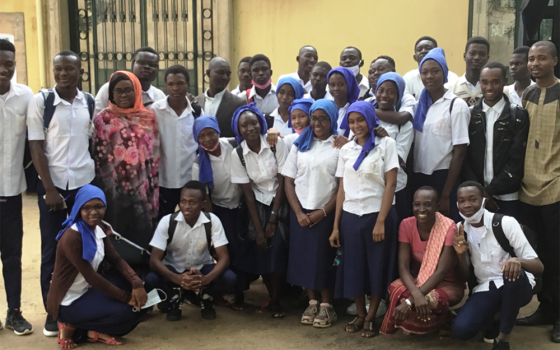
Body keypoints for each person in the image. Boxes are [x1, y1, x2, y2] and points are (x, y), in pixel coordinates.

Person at [27, 50, 96, 336]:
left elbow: (90, 142)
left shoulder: (89, 102)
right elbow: (36, 146)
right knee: (52, 250)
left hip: (83, 184)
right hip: (54, 188)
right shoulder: (42, 101)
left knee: (86, 248)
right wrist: (50, 188)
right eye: (58, 69)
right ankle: (52, 312)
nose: (63, 74)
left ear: (81, 71)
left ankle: (81, 307)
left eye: (69, 69)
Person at [47, 184, 148, 348]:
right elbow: (92, 277)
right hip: (68, 301)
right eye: (87, 208)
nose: (93, 212)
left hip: (86, 291)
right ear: (79, 209)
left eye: (99, 207)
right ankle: (70, 324)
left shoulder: (98, 228)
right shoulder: (72, 236)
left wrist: (136, 282)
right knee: (128, 313)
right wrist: (127, 298)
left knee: (131, 289)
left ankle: (88, 330)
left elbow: (116, 259)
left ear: (105, 207)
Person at [330, 101, 399, 338]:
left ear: (370, 120)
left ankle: (372, 316)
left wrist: (381, 220)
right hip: (351, 217)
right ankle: (360, 313)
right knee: (354, 269)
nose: (356, 125)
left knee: (376, 267)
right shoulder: (346, 150)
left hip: (377, 215)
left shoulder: (386, 145)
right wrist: (336, 226)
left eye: (360, 120)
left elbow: (390, 184)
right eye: (351, 121)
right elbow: (341, 189)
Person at [452, 181, 543, 350]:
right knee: (461, 330)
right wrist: (460, 254)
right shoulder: (460, 229)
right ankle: (497, 315)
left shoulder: (505, 223)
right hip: (486, 288)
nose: (467, 205)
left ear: (483, 200)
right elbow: (464, 277)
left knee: (511, 273)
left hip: (517, 285)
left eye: (473, 199)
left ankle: (503, 338)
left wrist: (518, 261)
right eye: (461, 201)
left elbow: (538, 266)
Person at [515, 41, 560, 343]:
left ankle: (559, 317)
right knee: (539, 253)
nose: (534, 64)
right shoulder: (527, 94)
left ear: (554, 61)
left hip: (555, 186)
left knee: (557, 255)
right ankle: (545, 308)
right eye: (531, 59)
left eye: (541, 58)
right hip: (527, 187)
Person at [282, 99, 340, 328]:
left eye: (323, 118)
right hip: (301, 213)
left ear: (332, 119)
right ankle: (312, 301)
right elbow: (288, 181)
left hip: (325, 213)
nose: (317, 123)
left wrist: (323, 212)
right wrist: (297, 212)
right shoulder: (300, 144)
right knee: (304, 260)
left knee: (322, 260)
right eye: (314, 118)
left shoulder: (339, 146)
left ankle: (327, 306)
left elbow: (342, 186)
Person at [145, 181, 236, 321]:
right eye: (183, 201)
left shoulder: (213, 221)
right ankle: (174, 298)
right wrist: (176, 278)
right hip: (174, 270)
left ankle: (206, 297)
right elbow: (154, 260)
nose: (186, 207)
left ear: (203, 203)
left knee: (230, 278)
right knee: (151, 278)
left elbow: (224, 258)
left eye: (192, 202)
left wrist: (206, 279)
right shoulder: (167, 221)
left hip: (202, 269)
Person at [230, 103, 288, 317]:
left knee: (279, 245)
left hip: (282, 200)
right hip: (256, 203)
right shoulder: (238, 154)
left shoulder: (275, 144)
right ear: (238, 129)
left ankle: (276, 300)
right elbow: (247, 193)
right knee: (261, 245)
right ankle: (271, 296)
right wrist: (259, 228)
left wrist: (273, 218)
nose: (250, 128)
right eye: (244, 125)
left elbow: (283, 180)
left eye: (254, 122)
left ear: (261, 123)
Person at [380, 187, 464, 336]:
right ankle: (423, 320)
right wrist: (415, 295)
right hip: (419, 279)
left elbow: (442, 271)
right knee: (395, 289)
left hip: (447, 282)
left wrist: (411, 300)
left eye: (428, 204)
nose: (421, 209)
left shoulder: (449, 227)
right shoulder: (406, 224)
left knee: (432, 299)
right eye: (417, 204)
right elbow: (403, 267)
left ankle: (443, 318)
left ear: (438, 207)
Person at [92, 70, 159, 252]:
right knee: (115, 233)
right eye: (118, 91)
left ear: (136, 91)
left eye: (128, 90)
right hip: (114, 191)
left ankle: (141, 274)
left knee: (142, 232)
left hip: (142, 189)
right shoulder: (102, 120)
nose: (123, 95)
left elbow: (154, 156)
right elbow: (97, 157)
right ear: (111, 94)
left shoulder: (148, 118)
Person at [462, 62, 530, 218]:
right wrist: (479, 191)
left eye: (495, 81)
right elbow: (466, 156)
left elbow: (517, 160)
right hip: (475, 196)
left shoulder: (518, 116)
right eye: (484, 82)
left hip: (507, 196)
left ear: (505, 82)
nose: (489, 87)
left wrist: (488, 192)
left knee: (506, 239)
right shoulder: (470, 114)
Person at [412, 47, 470, 222]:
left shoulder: (456, 105)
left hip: (444, 176)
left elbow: (459, 152)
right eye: (424, 72)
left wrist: (446, 194)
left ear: (444, 73)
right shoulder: (419, 105)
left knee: (447, 227)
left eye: (435, 71)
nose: (429, 76)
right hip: (419, 175)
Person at [0, 39, 34, 335]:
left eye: (9, 64)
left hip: (10, 193)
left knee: (12, 255)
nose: (3, 69)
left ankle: (14, 312)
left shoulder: (25, 96)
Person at [191, 115, 242, 304]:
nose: (207, 139)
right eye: (202, 136)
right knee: (231, 248)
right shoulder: (198, 162)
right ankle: (232, 290)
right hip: (221, 209)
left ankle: (241, 286)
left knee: (244, 246)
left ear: (218, 132)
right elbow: (203, 197)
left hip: (243, 205)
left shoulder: (232, 144)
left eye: (211, 133)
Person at [151, 65, 198, 218]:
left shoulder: (197, 112)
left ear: (188, 85)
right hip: (164, 181)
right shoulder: (155, 111)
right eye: (171, 84)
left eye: (180, 83)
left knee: (191, 221)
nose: (175, 88)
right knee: (163, 224)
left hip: (189, 180)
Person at [371, 72, 414, 225]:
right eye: (381, 90)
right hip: (369, 186)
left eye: (391, 92)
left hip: (396, 187)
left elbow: (399, 158)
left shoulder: (405, 124)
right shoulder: (363, 117)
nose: (384, 95)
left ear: (399, 95)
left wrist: (386, 139)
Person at [94, 47, 166, 114]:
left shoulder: (160, 97)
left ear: (157, 69)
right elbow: (96, 119)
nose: (146, 67)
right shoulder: (109, 89)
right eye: (141, 62)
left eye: (152, 64)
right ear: (132, 64)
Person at [194, 57, 247, 138]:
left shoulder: (238, 103)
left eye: (228, 74)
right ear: (208, 73)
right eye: (220, 73)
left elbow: (242, 136)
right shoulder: (196, 103)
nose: (225, 77)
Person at [403, 36, 459, 100]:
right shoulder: (408, 78)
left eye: (428, 48)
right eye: (419, 49)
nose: (423, 51)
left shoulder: (453, 78)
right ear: (414, 57)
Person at [445, 36, 490, 106]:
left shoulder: (492, 89)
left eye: (482, 54)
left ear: (487, 58)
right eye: (472, 53)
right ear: (464, 56)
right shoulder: (449, 88)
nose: (477, 57)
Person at [327, 67, 360, 136]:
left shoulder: (357, 110)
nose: (336, 88)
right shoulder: (326, 108)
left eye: (341, 85)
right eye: (332, 85)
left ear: (349, 85)